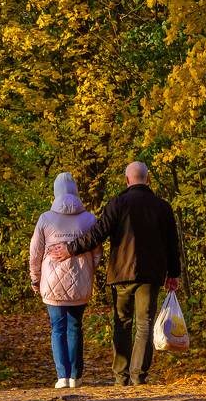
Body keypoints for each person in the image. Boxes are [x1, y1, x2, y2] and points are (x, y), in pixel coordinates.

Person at [49, 161, 180, 386]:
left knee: (122, 323)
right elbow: (172, 243)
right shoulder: (162, 207)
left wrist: (70, 249)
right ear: (147, 179)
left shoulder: (117, 204)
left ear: (127, 180)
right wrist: (174, 274)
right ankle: (139, 376)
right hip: (151, 275)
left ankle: (121, 376)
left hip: (121, 274)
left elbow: (97, 235)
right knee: (145, 324)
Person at [28, 172, 101, 389]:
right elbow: (97, 252)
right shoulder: (89, 218)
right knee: (75, 327)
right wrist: (89, 269)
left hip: (51, 283)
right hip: (81, 281)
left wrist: (35, 278)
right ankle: (76, 377)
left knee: (57, 328)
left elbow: (35, 252)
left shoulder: (45, 218)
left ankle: (62, 376)